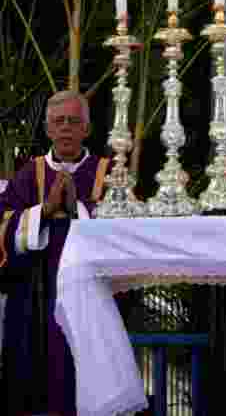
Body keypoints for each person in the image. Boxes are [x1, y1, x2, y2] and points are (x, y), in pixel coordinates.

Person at [0, 91, 110, 416]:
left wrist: (77, 208)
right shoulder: (27, 173)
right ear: (47, 129)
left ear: (87, 129)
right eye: (58, 121)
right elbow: (3, 226)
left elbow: (126, 228)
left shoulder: (107, 172)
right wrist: (44, 211)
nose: (66, 128)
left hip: (92, 301)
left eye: (74, 121)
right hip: (34, 300)